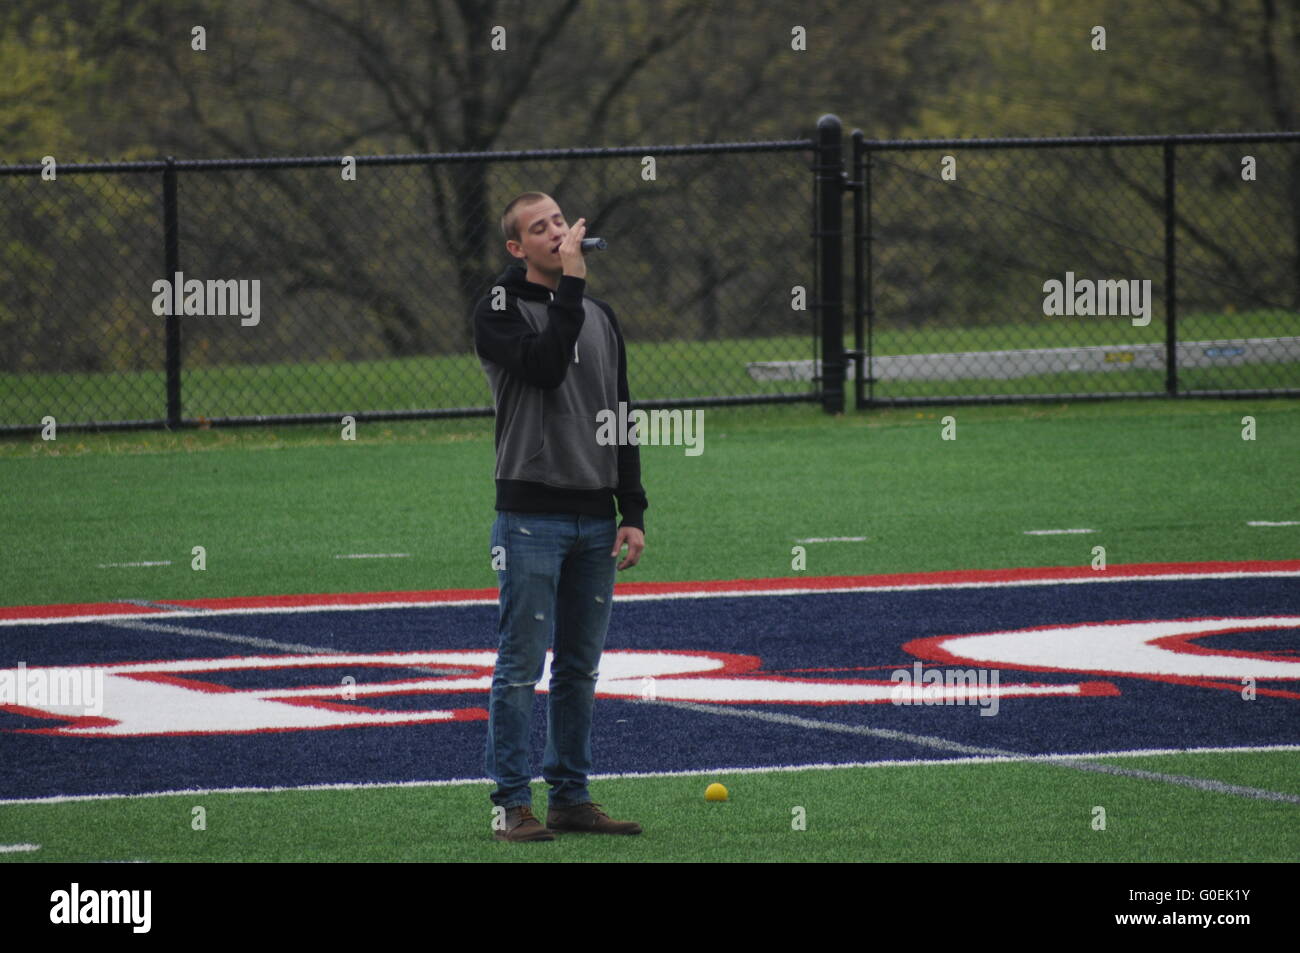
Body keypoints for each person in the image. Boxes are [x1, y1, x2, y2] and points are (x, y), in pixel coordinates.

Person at [472, 192, 647, 842]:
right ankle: (512, 803)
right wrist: (571, 286)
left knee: (579, 665)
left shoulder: (599, 315)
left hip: (595, 519)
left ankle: (570, 795)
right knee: (521, 664)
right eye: (537, 228)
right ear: (517, 249)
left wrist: (632, 507)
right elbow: (545, 367)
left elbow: (620, 412)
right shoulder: (498, 309)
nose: (554, 232)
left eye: (557, 221)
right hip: (529, 518)